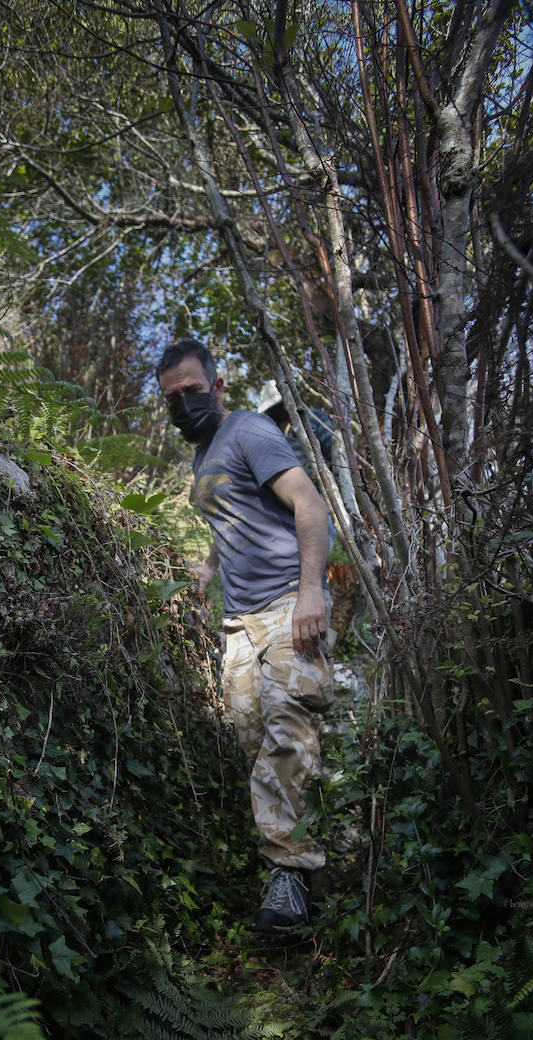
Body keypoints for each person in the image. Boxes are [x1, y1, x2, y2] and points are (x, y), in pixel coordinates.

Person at [156, 339, 333, 933]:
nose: (184, 404)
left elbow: (306, 504)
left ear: (217, 385)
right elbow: (232, 513)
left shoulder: (251, 431)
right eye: (171, 398)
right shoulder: (203, 455)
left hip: (288, 604)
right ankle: (314, 841)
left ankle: (291, 878)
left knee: (288, 728)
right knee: (255, 741)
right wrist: (208, 567)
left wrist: (311, 593)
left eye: (192, 390)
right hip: (239, 621)